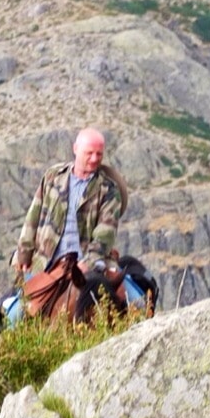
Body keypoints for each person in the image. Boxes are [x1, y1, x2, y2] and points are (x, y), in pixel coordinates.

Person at [12, 127, 129, 320]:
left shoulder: (109, 189)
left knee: (132, 304)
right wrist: (24, 252)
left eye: (99, 154)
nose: (94, 158)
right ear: (75, 149)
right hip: (48, 261)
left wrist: (87, 262)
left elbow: (105, 234)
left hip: (92, 264)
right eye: (89, 153)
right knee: (14, 314)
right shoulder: (52, 177)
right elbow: (34, 214)